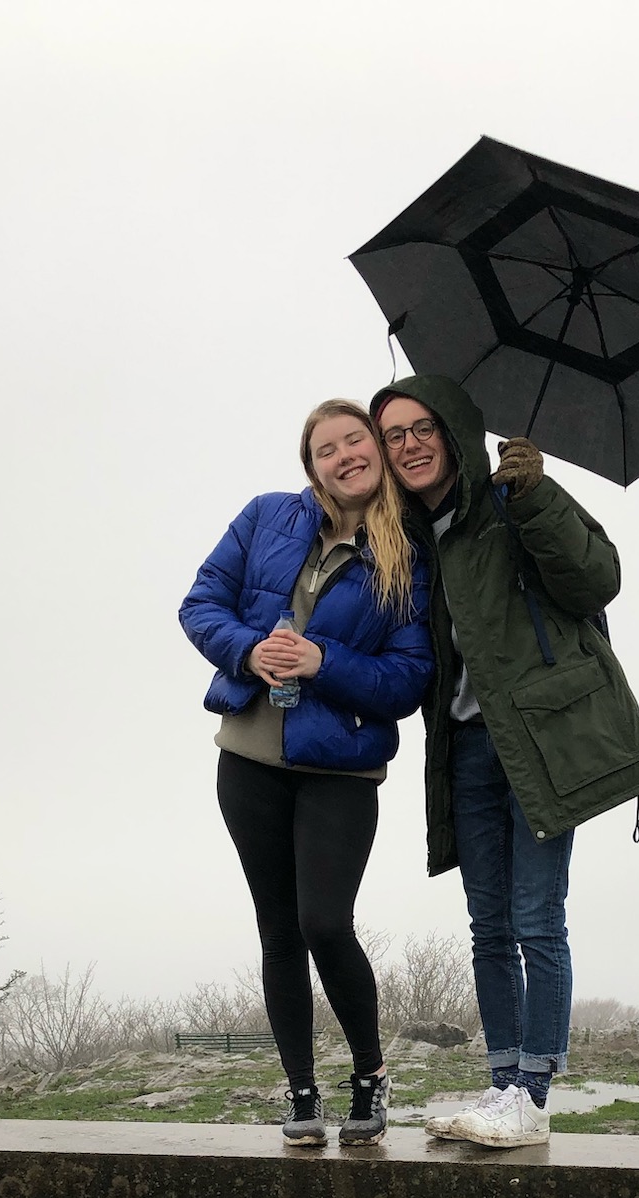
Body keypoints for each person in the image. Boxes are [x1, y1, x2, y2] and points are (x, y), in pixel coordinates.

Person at [370, 375, 639, 1148]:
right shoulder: (406, 538)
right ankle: (502, 1084)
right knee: (487, 928)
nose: (408, 444)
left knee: (538, 921)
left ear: (454, 429)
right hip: (466, 748)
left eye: (421, 427)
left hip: (536, 740)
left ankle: (531, 1099)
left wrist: (537, 494)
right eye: (393, 433)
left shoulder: (512, 499)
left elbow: (597, 578)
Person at [179, 401, 433, 1146]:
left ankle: (371, 1075)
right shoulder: (264, 517)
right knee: (278, 931)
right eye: (326, 448)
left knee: (324, 921)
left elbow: (408, 681)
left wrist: (325, 662)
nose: (344, 455)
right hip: (249, 757)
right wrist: (248, 651)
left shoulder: (407, 558)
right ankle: (299, 1092)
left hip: (342, 771)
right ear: (310, 464)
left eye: (356, 440)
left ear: (378, 454)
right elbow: (200, 604)